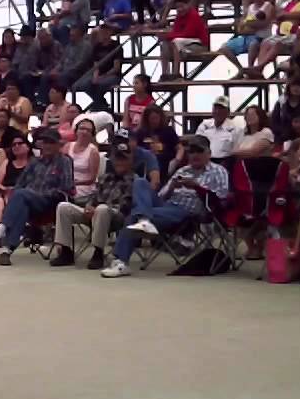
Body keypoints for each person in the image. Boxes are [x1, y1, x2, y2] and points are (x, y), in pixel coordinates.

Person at [101, 135, 230, 278]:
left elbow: (222, 198)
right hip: (167, 205)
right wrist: (172, 187)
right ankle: (144, 220)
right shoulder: (183, 171)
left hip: (189, 211)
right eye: (191, 151)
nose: (195, 154)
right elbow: (161, 196)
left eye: (199, 150)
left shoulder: (218, 171)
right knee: (141, 182)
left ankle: (121, 261)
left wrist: (197, 187)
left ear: (209, 153)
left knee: (133, 217)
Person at [0, 127, 74, 265]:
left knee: (21, 195)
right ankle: (6, 250)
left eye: (51, 142)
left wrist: (39, 194)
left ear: (58, 144)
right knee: (21, 203)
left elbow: (67, 187)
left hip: (51, 202)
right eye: (45, 142)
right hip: (29, 201)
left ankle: (3, 227)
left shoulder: (64, 161)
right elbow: (20, 183)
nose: (47, 145)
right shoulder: (34, 162)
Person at [50, 140, 135, 270]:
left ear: (130, 161)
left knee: (102, 209)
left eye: (123, 159)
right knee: (63, 207)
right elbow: (94, 196)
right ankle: (66, 251)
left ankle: (98, 253)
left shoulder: (135, 180)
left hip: (117, 217)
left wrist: (97, 209)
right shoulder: (106, 177)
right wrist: (89, 206)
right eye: (117, 158)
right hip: (95, 213)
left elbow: (126, 206)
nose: (119, 162)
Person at [219, 0, 275, 74]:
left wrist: (247, 24)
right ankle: (241, 70)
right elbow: (240, 27)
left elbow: (263, 24)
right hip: (247, 37)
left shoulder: (268, 6)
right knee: (224, 48)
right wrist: (250, 24)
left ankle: (251, 69)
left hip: (262, 39)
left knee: (253, 44)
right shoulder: (250, 7)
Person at [158, 0, 208, 81]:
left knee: (176, 42)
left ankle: (176, 74)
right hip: (185, 42)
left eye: (182, 6)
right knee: (165, 44)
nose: (180, 9)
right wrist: (166, 38)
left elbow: (188, 33)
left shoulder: (193, 15)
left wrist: (168, 36)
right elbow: (175, 31)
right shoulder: (179, 16)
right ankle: (165, 74)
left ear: (188, 4)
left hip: (199, 44)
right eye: (177, 7)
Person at [77, 25, 122, 112]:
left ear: (110, 32)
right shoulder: (97, 46)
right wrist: (95, 76)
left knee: (100, 85)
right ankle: (101, 103)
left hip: (113, 75)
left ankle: (98, 106)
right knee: (84, 84)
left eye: (106, 32)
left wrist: (103, 76)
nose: (103, 34)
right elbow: (96, 65)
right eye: (102, 32)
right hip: (99, 74)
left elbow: (116, 67)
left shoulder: (116, 45)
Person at [194, 95, 242, 165]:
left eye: (221, 109)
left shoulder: (235, 129)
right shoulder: (204, 125)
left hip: (225, 162)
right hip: (204, 162)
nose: (217, 111)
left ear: (228, 112)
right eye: (215, 108)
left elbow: (236, 153)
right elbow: (197, 145)